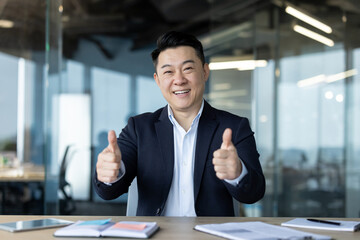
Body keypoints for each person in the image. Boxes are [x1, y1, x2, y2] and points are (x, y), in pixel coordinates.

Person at [94, 31, 265, 216]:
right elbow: (107, 192)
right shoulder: (139, 128)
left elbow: (254, 193)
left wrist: (238, 173)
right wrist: (110, 173)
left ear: (205, 72)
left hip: (209, 236)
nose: (179, 80)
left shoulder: (234, 127)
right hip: (155, 234)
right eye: (168, 72)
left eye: (188, 69)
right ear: (158, 81)